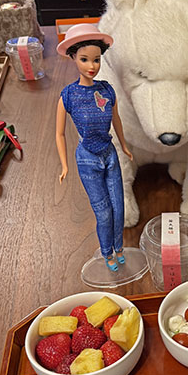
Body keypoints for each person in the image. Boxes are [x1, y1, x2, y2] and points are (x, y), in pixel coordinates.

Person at [55, 23, 133, 272]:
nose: (92, 66)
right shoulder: (68, 96)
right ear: (73, 58)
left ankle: (119, 248)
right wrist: (65, 165)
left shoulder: (107, 90)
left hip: (109, 154)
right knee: (103, 213)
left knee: (119, 208)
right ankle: (107, 252)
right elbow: (59, 133)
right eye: (84, 59)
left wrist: (124, 146)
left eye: (96, 59)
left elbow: (116, 120)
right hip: (87, 158)